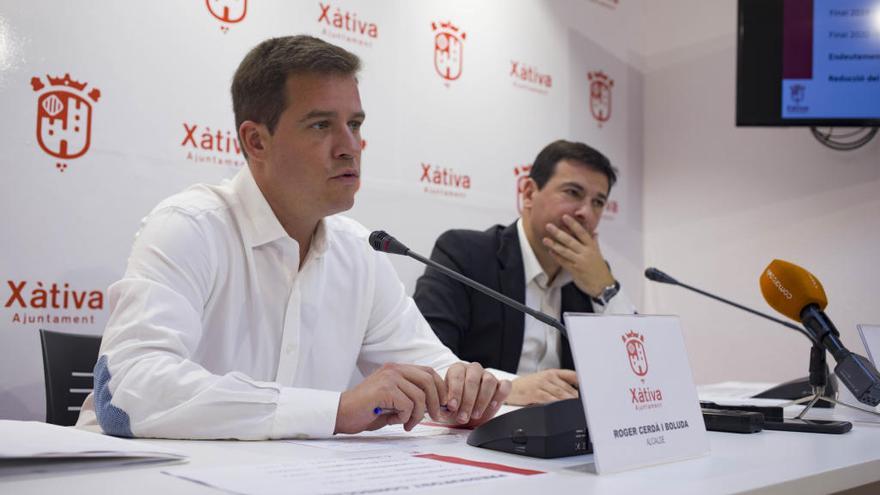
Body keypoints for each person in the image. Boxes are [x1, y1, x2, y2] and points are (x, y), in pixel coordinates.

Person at [75, 35, 511, 440]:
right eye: (321, 125)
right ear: (256, 140)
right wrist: (336, 410)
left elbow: (433, 370)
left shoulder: (362, 251)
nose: (349, 146)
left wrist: (459, 391)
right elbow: (127, 390)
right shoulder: (189, 226)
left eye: (355, 124)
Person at [413, 140, 636, 406]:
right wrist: (509, 388)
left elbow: (637, 373)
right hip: (480, 434)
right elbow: (426, 362)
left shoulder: (594, 276)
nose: (585, 213)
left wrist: (606, 290)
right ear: (529, 193)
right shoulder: (464, 255)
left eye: (598, 202)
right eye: (573, 193)